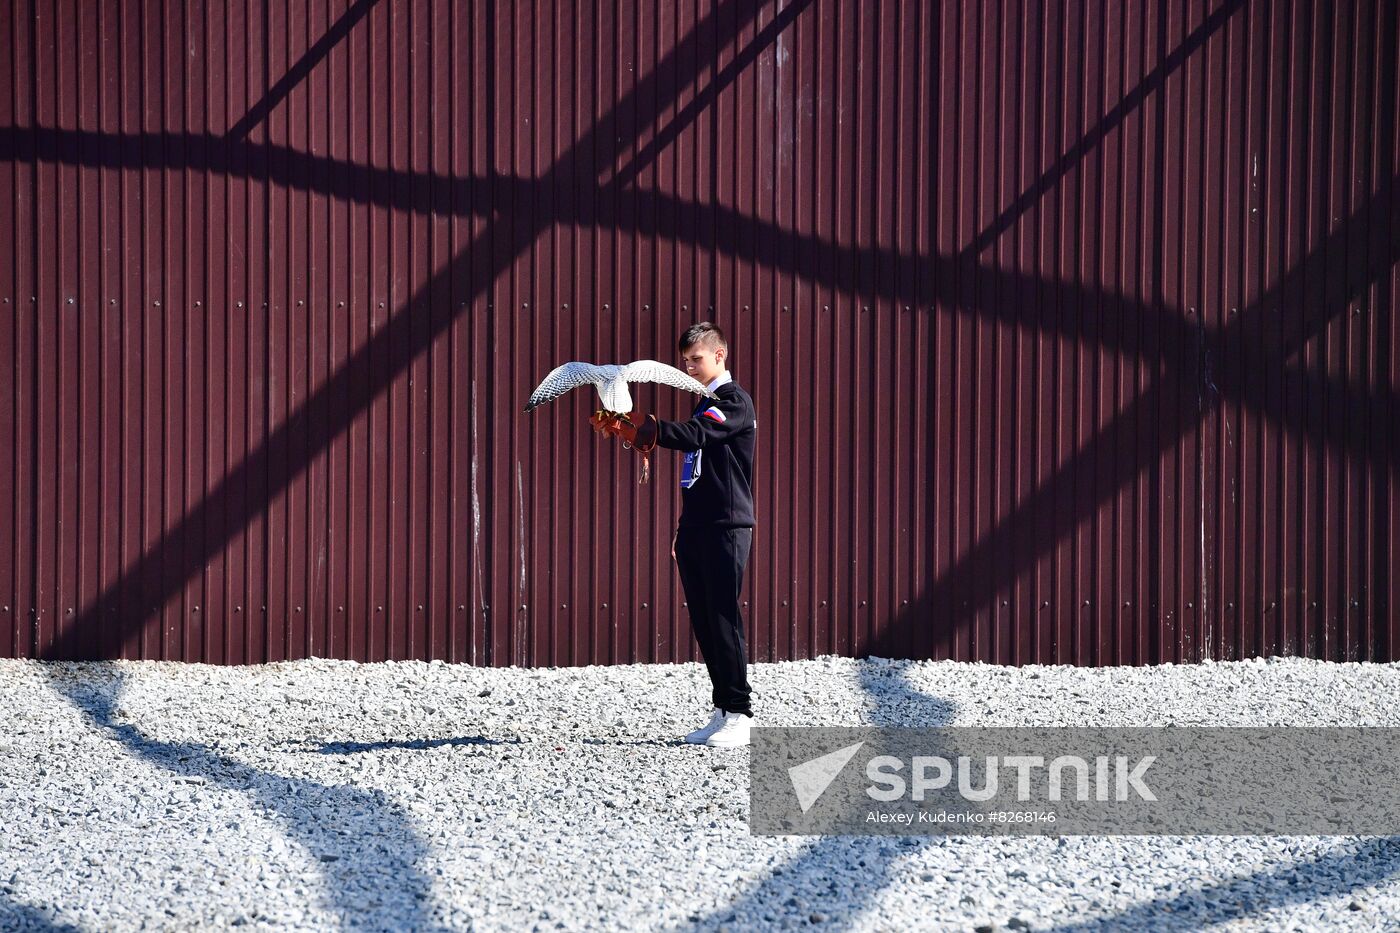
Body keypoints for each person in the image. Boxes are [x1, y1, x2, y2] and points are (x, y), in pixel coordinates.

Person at [590, 322, 758, 748]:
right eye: (685, 361)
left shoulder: (733, 402)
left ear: (720, 355)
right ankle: (722, 712)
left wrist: (645, 427)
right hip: (699, 527)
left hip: (727, 526)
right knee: (704, 621)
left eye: (696, 360)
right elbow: (695, 469)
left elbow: (696, 436)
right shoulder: (705, 405)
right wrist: (684, 530)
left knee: (722, 618)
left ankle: (740, 714)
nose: (689, 368)